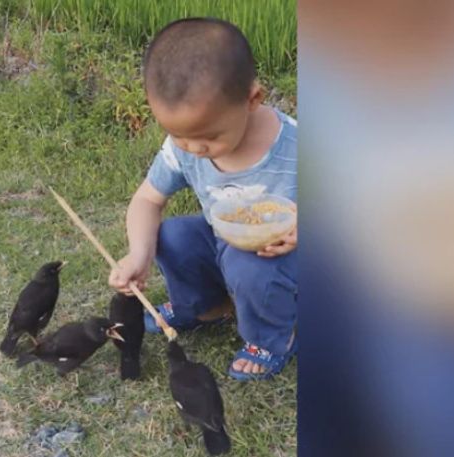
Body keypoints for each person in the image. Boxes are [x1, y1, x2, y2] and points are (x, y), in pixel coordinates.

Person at [108, 17, 297, 381]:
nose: (194, 148)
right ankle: (206, 306)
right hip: (225, 238)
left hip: (284, 258)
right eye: (178, 135)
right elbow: (147, 199)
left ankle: (273, 339)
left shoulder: (294, 146)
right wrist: (138, 254)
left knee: (250, 267)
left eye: (208, 136)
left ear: (252, 99)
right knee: (171, 235)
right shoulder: (185, 148)